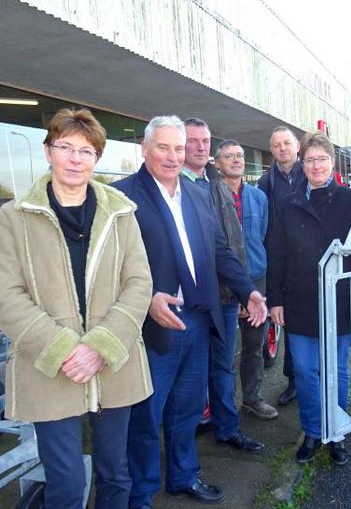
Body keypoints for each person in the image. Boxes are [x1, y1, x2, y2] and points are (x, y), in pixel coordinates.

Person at [0, 108, 153, 508]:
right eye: (65, 147)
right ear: (48, 152)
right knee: (65, 483)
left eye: (86, 150)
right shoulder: (13, 217)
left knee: (116, 475)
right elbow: (6, 296)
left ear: (96, 159)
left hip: (113, 364)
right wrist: (65, 350)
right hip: (50, 367)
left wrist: (101, 346)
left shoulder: (121, 213)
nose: (75, 159)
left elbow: (139, 283)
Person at [112, 116, 267, 508]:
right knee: (146, 416)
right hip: (152, 325)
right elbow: (110, 267)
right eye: (163, 147)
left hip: (197, 319)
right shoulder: (122, 197)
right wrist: (146, 299)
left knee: (186, 409)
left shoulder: (198, 194)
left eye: (178, 148)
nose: (172, 155)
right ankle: (141, 495)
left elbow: (219, 251)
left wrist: (248, 291)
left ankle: (182, 476)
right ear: (144, 150)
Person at [266, 131, 351, 466]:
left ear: (332, 162)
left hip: (340, 301)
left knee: (338, 370)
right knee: (304, 369)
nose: (316, 165)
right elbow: (278, 253)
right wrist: (275, 301)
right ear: (303, 163)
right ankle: (313, 431)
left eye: (322, 159)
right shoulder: (289, 202)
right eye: (310, 159)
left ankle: (336, 431)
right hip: (298, 301)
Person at [180, 118, 269, 447]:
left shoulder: (216, 185)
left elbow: (233, 245)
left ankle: (227, 428)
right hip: (190, 300)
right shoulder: (174, 185)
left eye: (205, 141)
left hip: (226, 297)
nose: (201, 146)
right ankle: (187, 436)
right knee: (190, 372)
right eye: (193, 141)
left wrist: (246, 292)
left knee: (222, 365)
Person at [214, 139, 278, 420]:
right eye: (229, 156)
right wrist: (236, 290)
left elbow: (262, 235)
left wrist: (251, 290)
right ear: (217, 163)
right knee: (223, 352)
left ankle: (252, 399)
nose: (237, 160)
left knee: (254, 346)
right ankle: (223, 408)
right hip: (221, 285)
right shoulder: (208, 195)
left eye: (240, 155)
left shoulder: (259, 198)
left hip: (257, 279)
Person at [257, 126, 306, 406]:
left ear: (297, 146)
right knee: (288, 323)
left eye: (287, 143)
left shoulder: (311, 173)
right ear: (272, 149)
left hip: (311, 261)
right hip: (281, 263)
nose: (283, 148)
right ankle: (293, 381)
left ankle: (318, 377)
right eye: (277, 145)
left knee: (316, 324)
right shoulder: (265, 183)